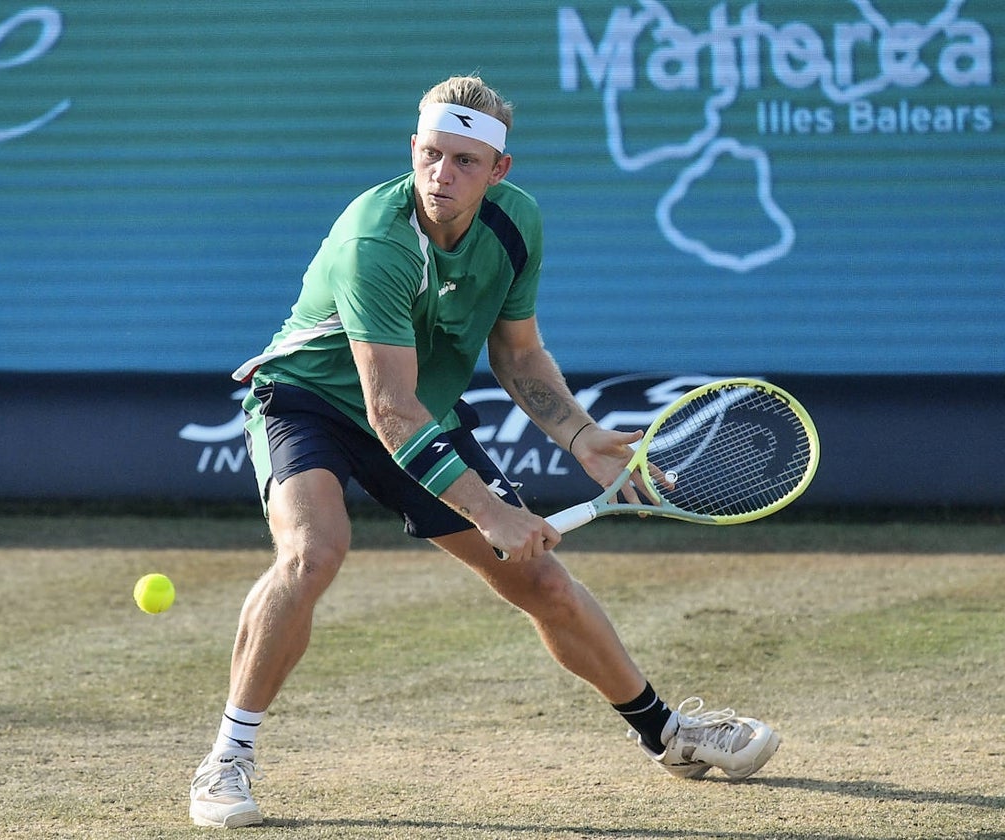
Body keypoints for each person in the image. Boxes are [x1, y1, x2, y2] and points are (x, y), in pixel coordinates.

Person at [189, 75, 779, 829]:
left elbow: (521, 356)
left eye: (466, 161)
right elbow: (387, 409)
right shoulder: (377, 238)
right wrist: (491, 512)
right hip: (310, 402)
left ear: (499, 170)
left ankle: (668, 736)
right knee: (313, 551)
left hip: (418, 410)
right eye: (431, 154)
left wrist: (582, 435)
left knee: (543, 582)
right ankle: (228, 758)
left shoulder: (517, 223)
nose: (442, 175)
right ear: (413, 149)